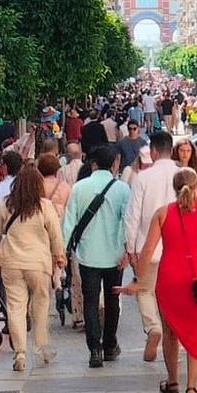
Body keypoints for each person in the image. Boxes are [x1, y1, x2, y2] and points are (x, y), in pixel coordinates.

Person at [126, 168, 197, 393]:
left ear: (173, 188)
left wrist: (138, 281)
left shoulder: (163, 213)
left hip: (170, 276)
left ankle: (173, 381)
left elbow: (147, 251)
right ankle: (192, 388)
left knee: (170, 331)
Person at [0, 164, 65, 373]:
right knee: (40, 307)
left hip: (11, 263)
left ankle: (20, 353)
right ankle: (41, 349)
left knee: (15, 308)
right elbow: (55, 235)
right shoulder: (45, 206)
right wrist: (59, 255)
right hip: (38, 264)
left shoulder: (5, 204)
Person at [63, 145, 132, 368]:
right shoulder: (122, 189)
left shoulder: (79, 187)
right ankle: (110, 344)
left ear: (93, 163)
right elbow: (128, 223)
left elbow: (69, 222)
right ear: (114, 164)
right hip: (114, 256)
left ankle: (95, 349)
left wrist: (62, 251)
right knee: (112, 301)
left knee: (90, 302)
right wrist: (128, 251)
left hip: (87, 255)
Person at [123, 130, 181, 363]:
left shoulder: (143, 178)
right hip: (176, 247)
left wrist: (130, 246)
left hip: (147, 247)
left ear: (154, 152)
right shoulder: (182, 174)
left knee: (145, 290)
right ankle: (170, 332)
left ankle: (153, 326)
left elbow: (132, 215)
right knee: (171, 293)